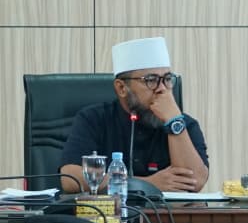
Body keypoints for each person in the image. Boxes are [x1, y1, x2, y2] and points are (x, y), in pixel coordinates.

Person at [60, 37, 209, 193]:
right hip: (111, 209)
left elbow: (194, 182)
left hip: (167, 209)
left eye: (167, 79)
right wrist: (146, 184)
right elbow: (70, 179)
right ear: (121, 88)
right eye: (151, 80)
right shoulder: (94, 119)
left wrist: (174, 123)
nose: (162, 89)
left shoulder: (184, 124)